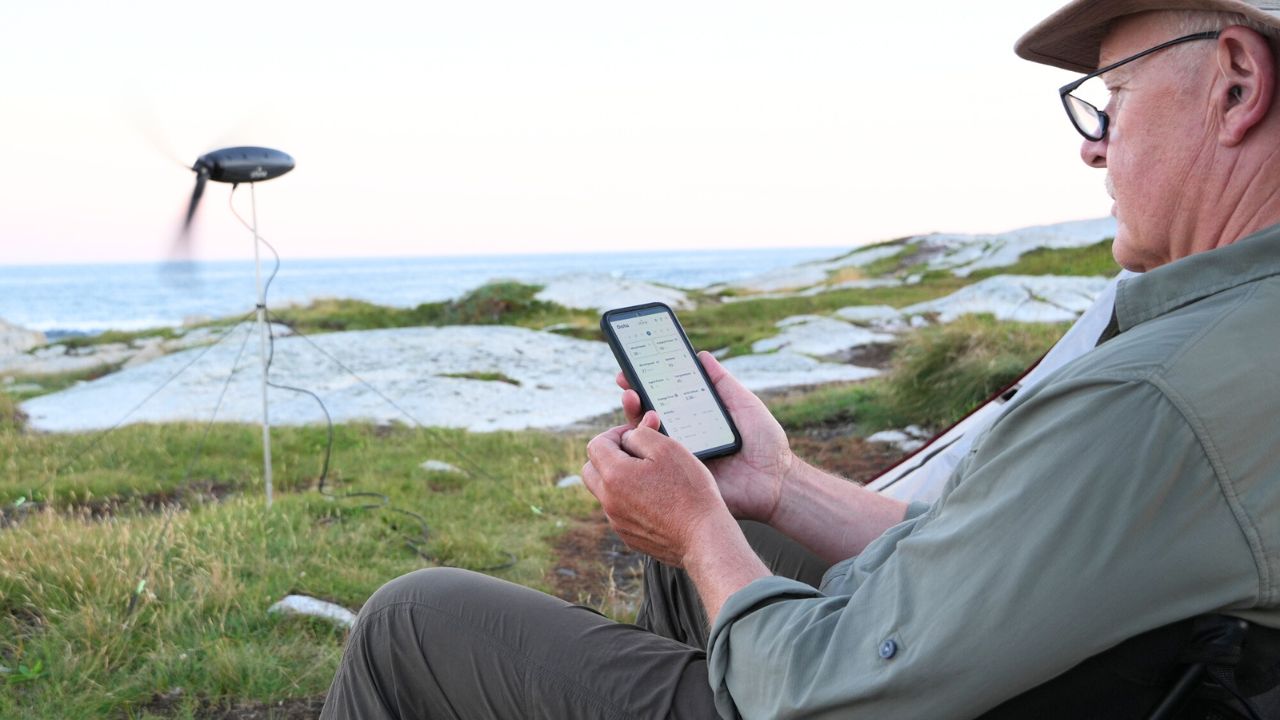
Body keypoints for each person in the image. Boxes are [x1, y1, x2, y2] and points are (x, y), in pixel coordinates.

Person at [320, 1, 1280, 717]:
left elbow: (832, 684)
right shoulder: (1232, 339)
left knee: (414, 619)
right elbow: (1006, 562)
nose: (1093, 149)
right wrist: (774, 488)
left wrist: (702, 535)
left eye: (1110, 101)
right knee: (741, 527)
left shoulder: (1156, 391)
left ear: (1235, 82)